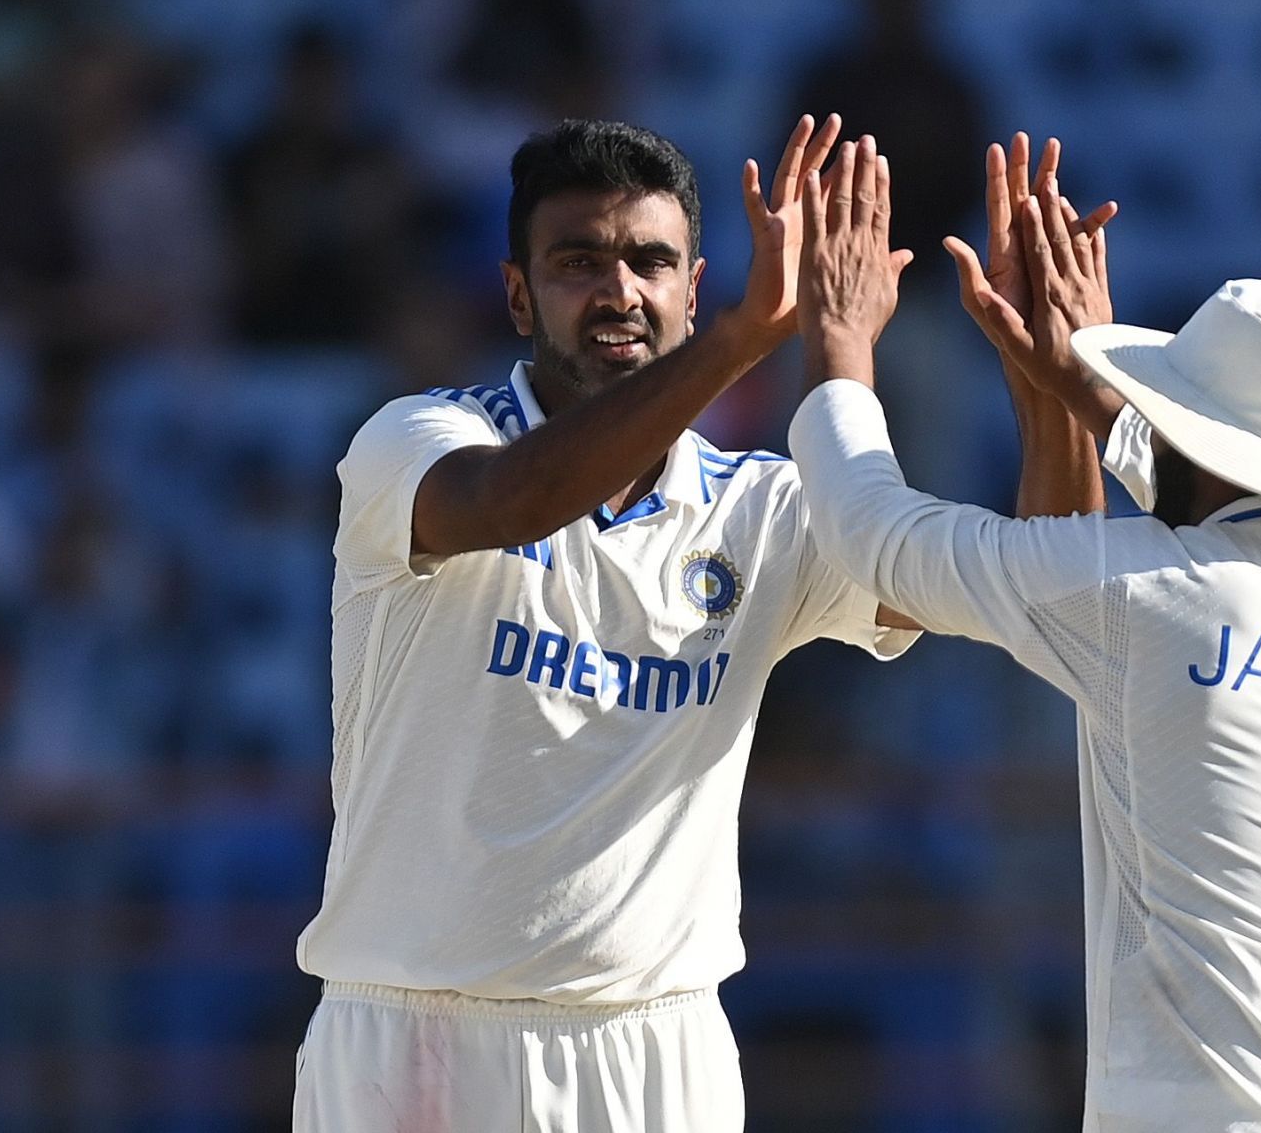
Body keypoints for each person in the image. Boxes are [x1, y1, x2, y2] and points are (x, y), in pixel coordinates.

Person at [290, 116, 946, 1131]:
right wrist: (741, 340)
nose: (620, 292)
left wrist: (1046, 395)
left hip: (657, 1049)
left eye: (650, 261)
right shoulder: (415, 441)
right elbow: (513, 502)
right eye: (577, 262)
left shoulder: (760, 510)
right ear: (518, 293)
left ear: (691, 284)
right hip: (417, 1042)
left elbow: (969, 586)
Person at [788, 140, 1261, 1129]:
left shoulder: (1147, 598)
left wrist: (841, 339)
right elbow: (1206, 534)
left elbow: (869, 529)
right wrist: (1088, 396)